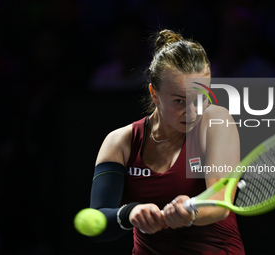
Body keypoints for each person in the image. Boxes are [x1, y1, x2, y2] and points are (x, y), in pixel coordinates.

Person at [89, 29, 245, 255]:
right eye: (180, 100)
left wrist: (191, 212)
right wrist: (129, 213)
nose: (193, 112)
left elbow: (220, 202)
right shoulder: (120, 142)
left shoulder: (216, 120)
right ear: (154, 94)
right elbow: (98, 223)